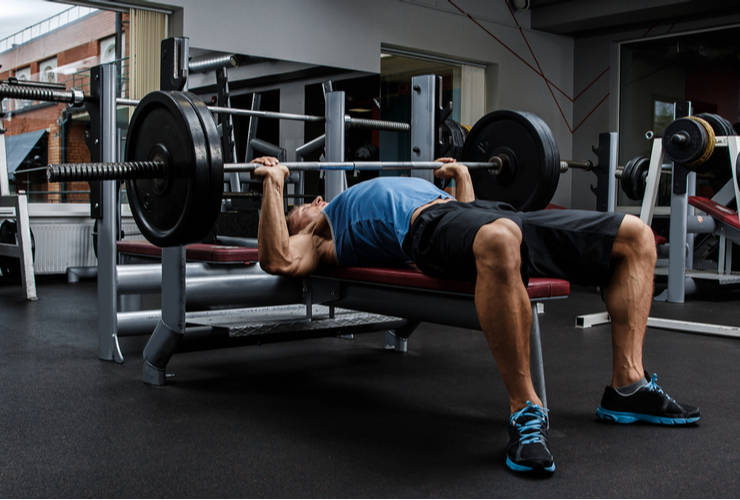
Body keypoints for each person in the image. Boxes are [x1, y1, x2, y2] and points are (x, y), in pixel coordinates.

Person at [251, 155, 700, 475]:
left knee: (636, 236)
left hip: (474, 213)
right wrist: (273, 185)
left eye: (304, 201)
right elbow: (278, 260)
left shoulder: (340, 203)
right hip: (424, 230)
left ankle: (628, 385)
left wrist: (462, 177)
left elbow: (465, 222)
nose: (308, 202)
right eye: (296, 209)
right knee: (500, 241)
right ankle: (526, 410)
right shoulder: (319, 237)